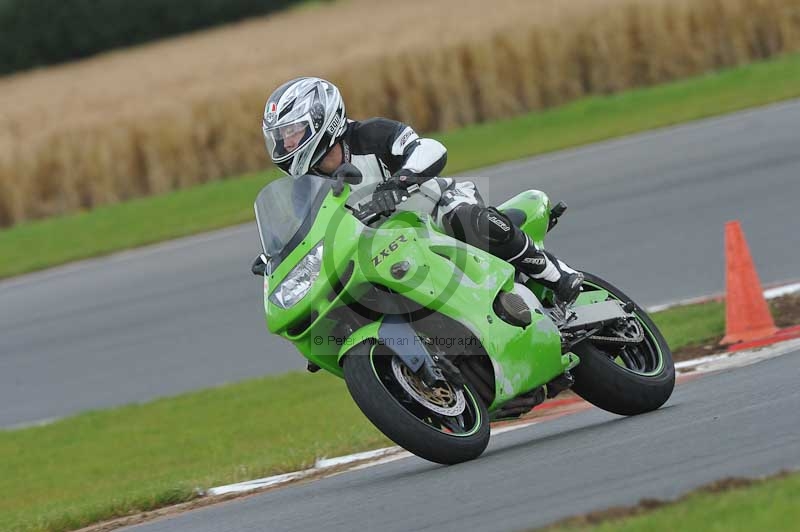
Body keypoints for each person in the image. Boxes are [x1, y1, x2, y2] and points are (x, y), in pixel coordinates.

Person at [259, 77, 584, 304]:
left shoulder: (370, 135)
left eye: (291, 131)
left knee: (466, 218)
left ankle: (556, 274)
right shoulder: (305, 187)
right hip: (384, 245)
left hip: (434, 208)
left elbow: (429, 148)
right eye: (280, 136)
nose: (285, 143)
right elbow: (303, 231)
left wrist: (401, 181)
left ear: (321, 119)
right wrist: (278, 258)